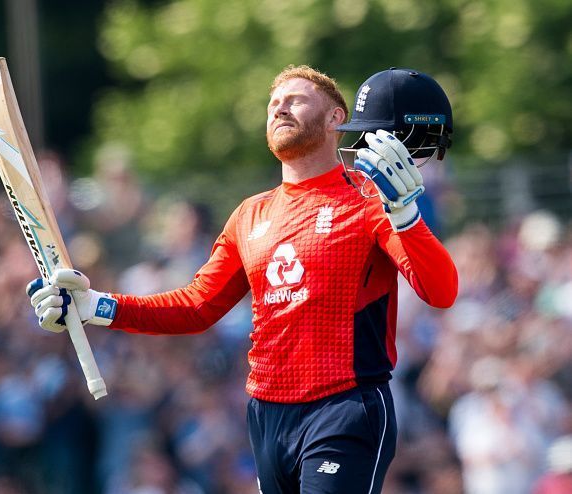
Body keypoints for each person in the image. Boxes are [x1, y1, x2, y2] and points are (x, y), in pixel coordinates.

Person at [26, 65, 458, 494]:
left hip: (344, 407)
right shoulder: (249, 214)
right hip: (268, 417)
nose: (280, 109)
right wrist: (96, 306)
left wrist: (405, 216)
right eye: (273, 104)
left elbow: (441, 292)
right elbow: (196, 306)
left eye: (295, 100)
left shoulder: (370, 200)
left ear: (335, 118)